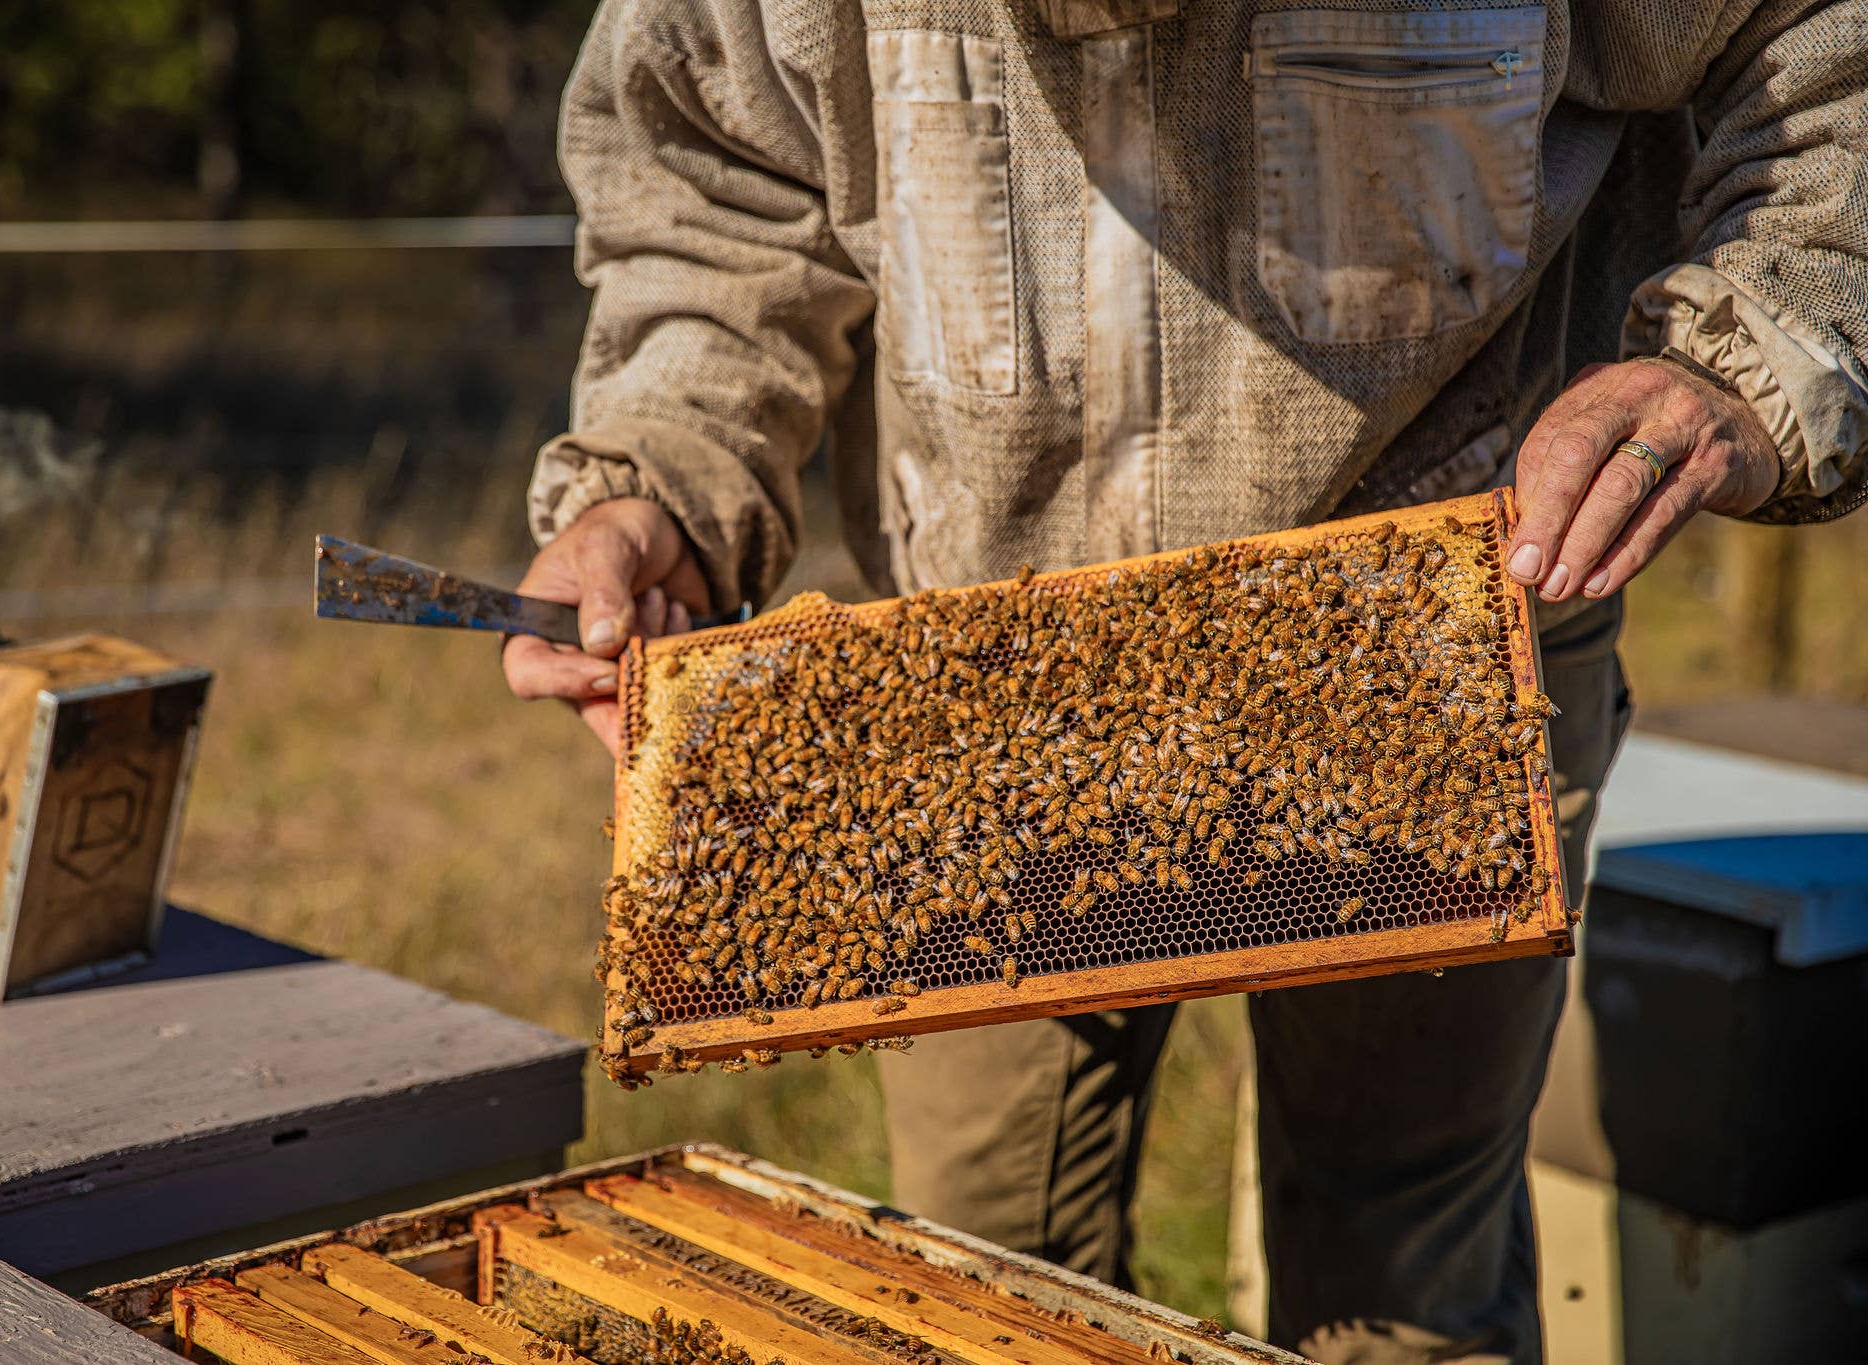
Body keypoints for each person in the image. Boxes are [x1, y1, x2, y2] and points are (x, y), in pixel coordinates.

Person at [502, 3, 1867, 1360]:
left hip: (1441, 653)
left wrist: (1754, 348)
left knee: (1403, 1290)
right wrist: (662, 469)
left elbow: (1826, 45)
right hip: (978, 691)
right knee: (978, 1285)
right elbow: (716, 188)